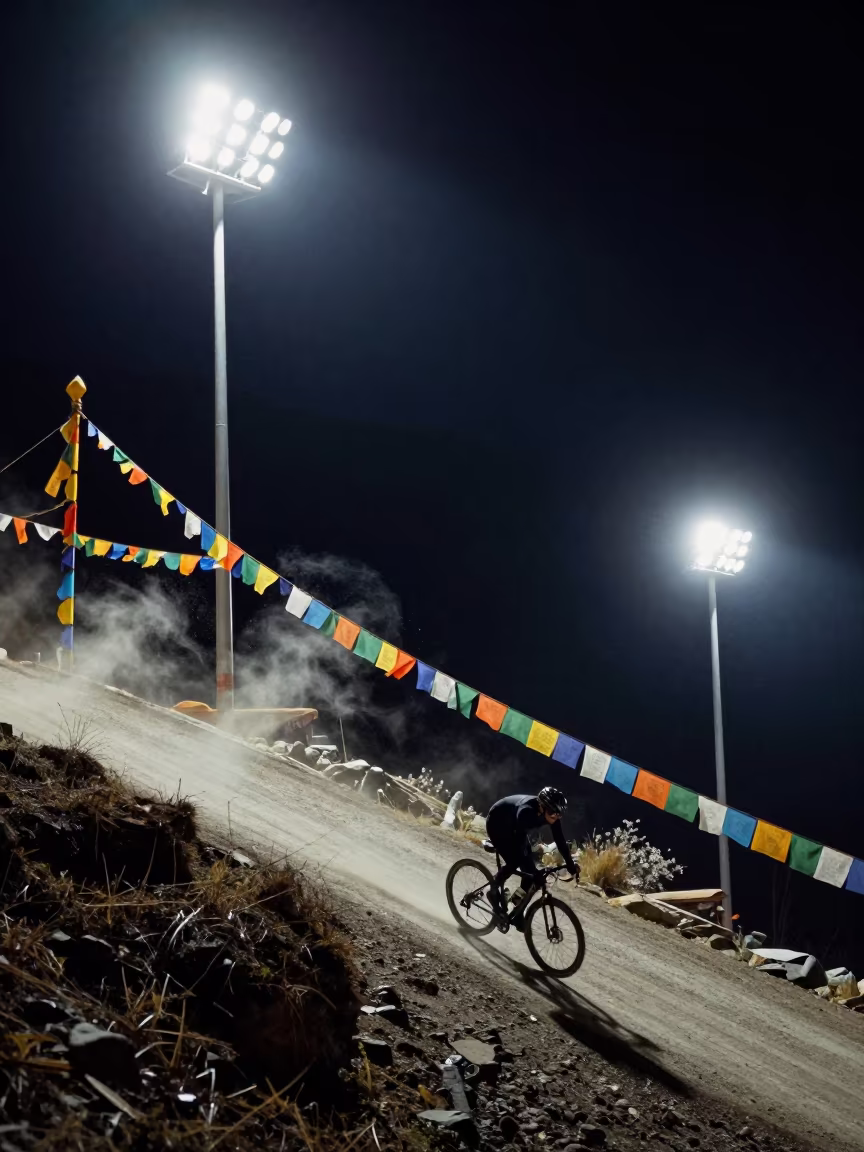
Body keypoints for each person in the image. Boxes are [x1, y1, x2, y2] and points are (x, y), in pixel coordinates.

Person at [485, 787, 579, 929]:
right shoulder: (526, 811)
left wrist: (570, 865)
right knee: (516, 860)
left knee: (529, 875)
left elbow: (560, 841)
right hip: (498, 823)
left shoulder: (551, 813)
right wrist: (533, 871)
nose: (556, 817)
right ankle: (493, 889)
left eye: (559, 814)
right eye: (553, 813)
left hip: (516, 829)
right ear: (542, 807)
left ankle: (517, 912)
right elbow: (518, 843)